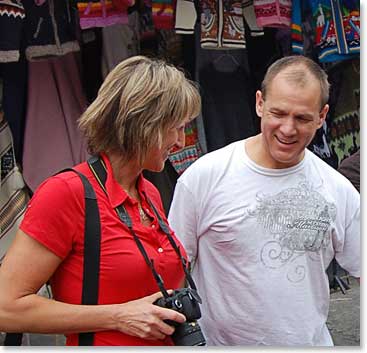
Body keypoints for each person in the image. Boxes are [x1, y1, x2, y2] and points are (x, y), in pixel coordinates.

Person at [0, 56, 201, 346]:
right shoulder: (67, 193)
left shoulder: (149, 194)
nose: (181, 142)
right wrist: (118, 316)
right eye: (176, 128)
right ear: (143, 123)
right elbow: (6, 307)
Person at [168, 55, 360, 346]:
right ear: (259, 103)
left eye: (302, 118)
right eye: (278, 113)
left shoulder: (338, 190)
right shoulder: (203, 178)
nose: (287, 129)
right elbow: (172, 271)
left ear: (322, 116)